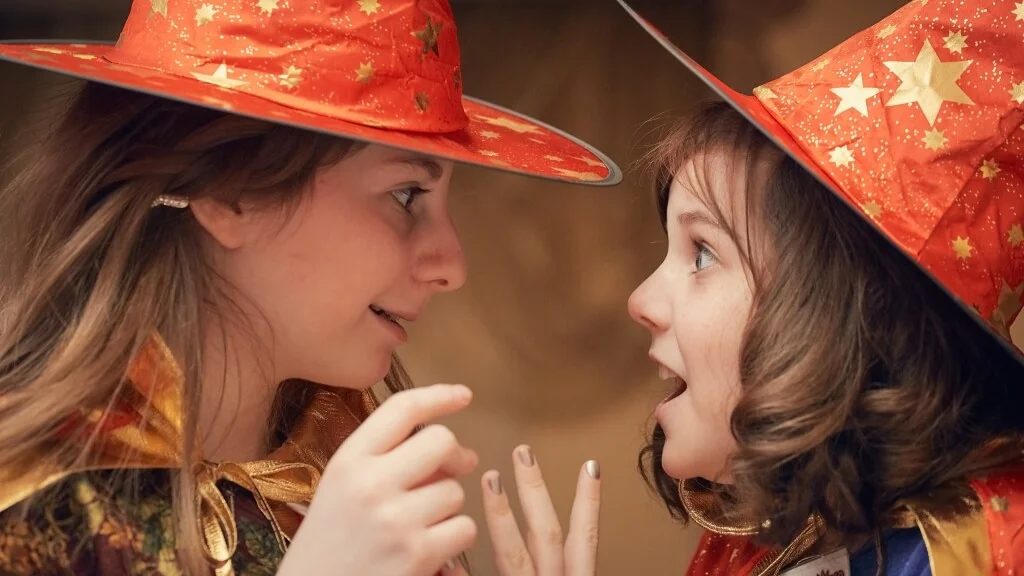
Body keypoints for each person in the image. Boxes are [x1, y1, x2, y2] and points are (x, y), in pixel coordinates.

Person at [0, 0, 620, 574]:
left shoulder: (362, 490)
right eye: (407, 195)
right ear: (231, 193)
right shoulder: (30, 515)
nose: (452, 265)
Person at [479, 0, 1024, 574]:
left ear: (845, 317)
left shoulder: (971, 556)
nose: (640, 302)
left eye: (702, 253)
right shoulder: (774, 541)